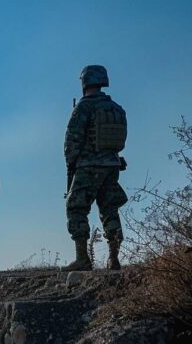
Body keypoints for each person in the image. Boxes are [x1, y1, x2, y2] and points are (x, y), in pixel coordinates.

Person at [64, 65, 128, 271]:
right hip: (112, 165)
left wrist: (71, 163)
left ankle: (82, 258)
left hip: (88, 166)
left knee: (76, 208)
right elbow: (119, 140)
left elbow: (72, 140)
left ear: (84, 82)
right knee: (110, 210)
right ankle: (113, 258)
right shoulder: (116, 108)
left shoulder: (84, 107)